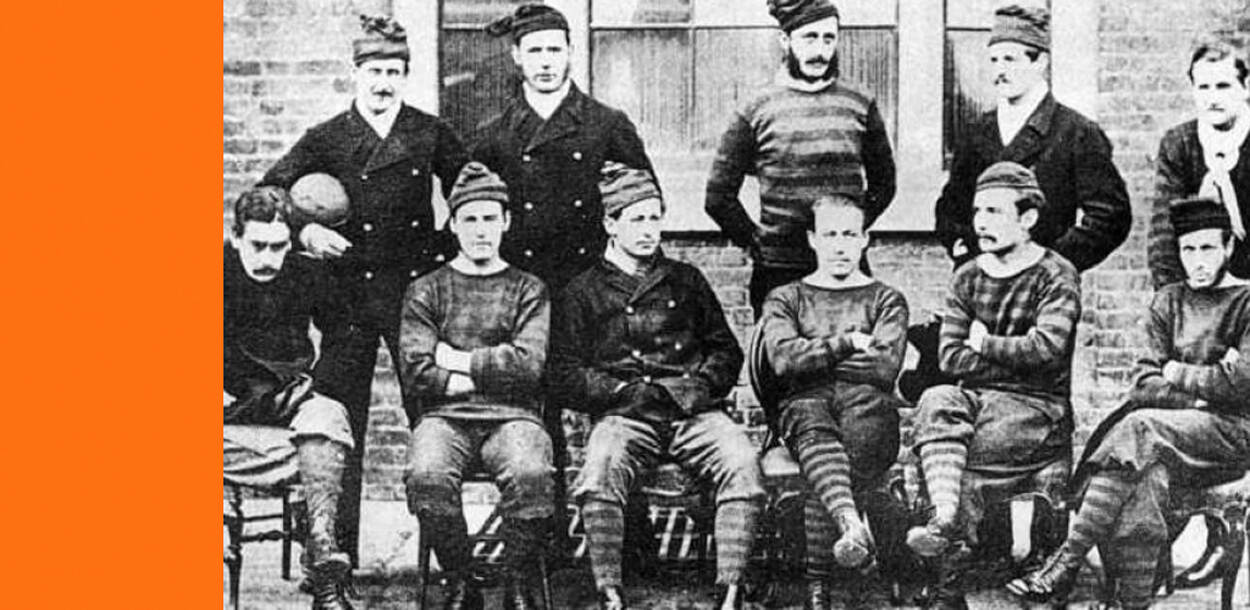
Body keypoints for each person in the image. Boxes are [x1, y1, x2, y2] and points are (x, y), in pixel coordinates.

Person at [258, 15, 470, 563]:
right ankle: (333, 555)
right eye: (374, 71)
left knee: (430, 419)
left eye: (394, 72)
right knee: (337, 419)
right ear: (356, 73)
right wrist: (305, 231)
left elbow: (475, 189)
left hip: (413, 296)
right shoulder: (327, 137)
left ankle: (452, 562)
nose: (383, 82)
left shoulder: (428, 133)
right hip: (345, 299)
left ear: (406, 76)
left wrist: (446, 249)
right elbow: (269, 192)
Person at [1007, 197, 1250, 609]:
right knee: (1145, 476)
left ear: (1228, 246)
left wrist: (1174, 370)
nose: (1197, 260)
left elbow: (1243, 383)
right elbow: (1143, 384)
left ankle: (1066, 560)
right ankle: (1132, 601)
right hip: (1168, 437)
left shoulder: (1246, 301)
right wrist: (1204, 389)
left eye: (1208, 248)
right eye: (1188, 249)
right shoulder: (1168, 301)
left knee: (1138, 428)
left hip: (1230, 436)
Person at [551, 164, 763, 610]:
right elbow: (565, 372)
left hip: (692, 412)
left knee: (741, 460)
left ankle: (730, 589)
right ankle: (610, 591)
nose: (649, 230)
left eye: (654, 218)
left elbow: (726, 351)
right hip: (625, 414)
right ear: (611, 224)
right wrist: (617, 392)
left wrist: (699, 387)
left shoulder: (686, 280)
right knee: (599, 470)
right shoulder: (583, 290)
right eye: (637, 219)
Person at [908, 161, 1083, 609]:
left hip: (1037, 407)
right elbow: (950, 357)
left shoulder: (1056, 274)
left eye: (995, 212)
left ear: (1028, 218)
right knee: (936, 399)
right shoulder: (967, 276)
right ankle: (945, 515)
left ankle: (948, 581)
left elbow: (1047, 350)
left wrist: (984, 343)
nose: (981, 223)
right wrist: (1011, 356)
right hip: (979, 398)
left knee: (960, 452)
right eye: (977, 211)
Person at [399, 163, 553, 610]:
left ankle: (516, 577)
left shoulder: (529, 289)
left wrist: (455, 361)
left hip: (514, 418)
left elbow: (529, 368)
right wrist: (493, 372)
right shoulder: (426, 290)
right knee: (427, 474)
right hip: (444, 418)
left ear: (506, 221)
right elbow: (417, 372)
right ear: (452, 224)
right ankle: (460, 576)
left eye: (490, 218)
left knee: (531, 472)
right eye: (469, 219)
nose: (480, 230)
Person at [758, 195, 908, 610]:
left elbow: (883, 367)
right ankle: (851, 527)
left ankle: (818, 584)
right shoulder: (786, 298)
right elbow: (783, 362)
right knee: (812, 424)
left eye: (848, 234)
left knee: (834, 456)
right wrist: (848, 342)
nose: (839, 245)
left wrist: (814, 357)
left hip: (868, 409)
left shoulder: (886, 299)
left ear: (864, 239)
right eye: (830, 235)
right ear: (812, 239)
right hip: (805, 405)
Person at [705, 0, 896, 316]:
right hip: (779, 273)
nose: (820, 51)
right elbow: (718, 197)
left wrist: (846, 232)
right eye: (809, 38)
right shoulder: (755, 108)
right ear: (785, 40)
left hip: (846, 271)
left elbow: (885, 184)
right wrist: (759, 244)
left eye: (828, 39)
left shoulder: (860, 102)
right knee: (780, 348)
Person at [223, 187, 355, 610]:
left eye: (278, 247)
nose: (268, 258)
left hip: (290, 400)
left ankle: (322, 553)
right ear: (236, 237)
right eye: (257, 245)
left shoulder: (306, 273)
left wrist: (317, 384)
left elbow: (343, 334)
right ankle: (321, 561)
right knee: (320, 456)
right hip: (229, 408)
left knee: (329, 419)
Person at [474, 3, 654, 294]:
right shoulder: (494, 134)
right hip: (521, 288)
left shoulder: (607, 124)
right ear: (516, 55)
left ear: (570, 52)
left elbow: (644, 204)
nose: (546, 62)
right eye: (535, 51)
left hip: (592, 287)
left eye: (554, 50)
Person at [933, 4, 1130, 273]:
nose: (1000, 70)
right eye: (994, 60)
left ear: (1040, 62)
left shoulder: (1076, 132)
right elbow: (951, 207)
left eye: (1010, 60)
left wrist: (1052, 263)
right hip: (982, 278)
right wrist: (968, 254)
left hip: (1045, 285)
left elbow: (1110, 217)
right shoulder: (976, 132)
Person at [1148, 36, 1250, 288]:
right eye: (1204, 87)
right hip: (1199, 286)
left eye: (1223, 86)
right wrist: (1173, 297)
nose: (1213, 98)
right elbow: (1164, 231)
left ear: (1246, 87)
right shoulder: (1179, 143)